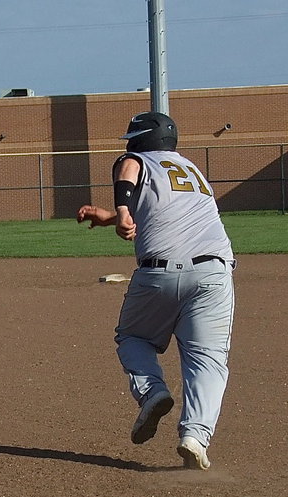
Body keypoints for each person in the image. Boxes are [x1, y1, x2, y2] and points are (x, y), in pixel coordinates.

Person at [77, 111, 235, 470]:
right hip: (215, 273)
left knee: (133, 337)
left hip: (159, 273)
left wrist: (120, 207)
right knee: (207, 359)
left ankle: (152, 392)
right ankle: (195, 436)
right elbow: (167, 210)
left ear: (141, 139)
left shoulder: (135, 159)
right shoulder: (191, 170)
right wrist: (111, 216)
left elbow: (130, 171)